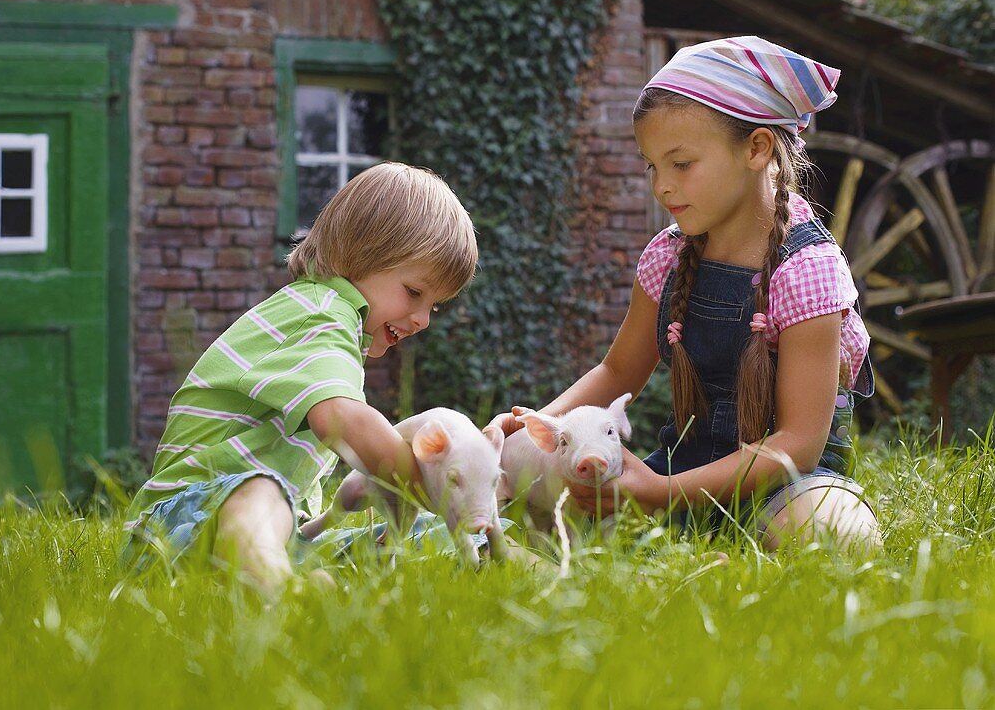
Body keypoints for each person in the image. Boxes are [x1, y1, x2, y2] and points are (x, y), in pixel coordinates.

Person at [492, 36, 880, 550]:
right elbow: (616, 372)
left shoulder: (808, 270)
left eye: (681, 164)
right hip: (680, 471)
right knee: (535, 498)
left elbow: (799, 446)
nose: (661, 187)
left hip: (785, 488)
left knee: (833, 534)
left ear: (757, 148)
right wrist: (535, 426)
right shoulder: (668, 256)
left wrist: (661, 492)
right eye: (653, 167)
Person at [122, 162, 477, 591]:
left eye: (434, 306)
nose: (421, 319)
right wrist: (424, 483)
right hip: (178, 521)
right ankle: (279, 585)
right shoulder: (320, 314)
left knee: (404, 537)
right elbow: (343, 420)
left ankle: (513, 557)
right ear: (359, 254)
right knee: (259, 490)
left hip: (273, 525)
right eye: (415, 293)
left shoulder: (330, 322)